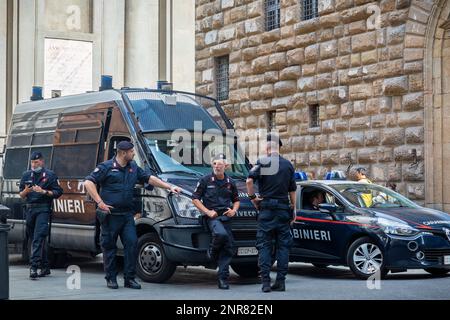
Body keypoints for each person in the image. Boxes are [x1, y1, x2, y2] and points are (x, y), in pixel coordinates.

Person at [84, 141, 181, 289]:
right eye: (131, 152)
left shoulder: (133, 167)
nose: (133, 153)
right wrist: (100, 202)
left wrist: (169, 187)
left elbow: (149, 178)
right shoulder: (106, 167)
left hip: (127, 215)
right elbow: (88, 183)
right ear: (123, 153)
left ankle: (129, 279)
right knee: (109, 247)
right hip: (110, 215)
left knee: (131, 244)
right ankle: (111, 278)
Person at [246, 134, 296, 293]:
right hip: (283, 209)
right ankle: (280, 282)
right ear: (279, 147)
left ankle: (266, 282)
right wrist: (293, 209)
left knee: (265, 245)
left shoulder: (262, 162)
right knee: (283, 246)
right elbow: (292, 190)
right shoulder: (288, 165)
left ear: (267, 148)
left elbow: (248, 181)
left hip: (266, 208)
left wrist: (253, 198)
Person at [192, 154, 240, 290]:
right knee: (221, 235)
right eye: (214, 163)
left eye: (219, 164)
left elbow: (236, 200)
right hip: (212, 217)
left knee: (228, 248)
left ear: (226, 166)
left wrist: (234, 210)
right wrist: (207, 212)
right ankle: (212, 253)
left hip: (226, 218)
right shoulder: (205, 180)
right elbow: (195, 198)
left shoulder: (231, 182)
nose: (217, 166)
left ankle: (222, 279)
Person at [19, 151, 63, 280]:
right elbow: (21, 195)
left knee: (38, 238)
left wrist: (43, 191)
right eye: (32, 162)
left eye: (36, 162)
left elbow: (58, 192)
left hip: (43, 209)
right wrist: (26, 191)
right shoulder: (26, 174)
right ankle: (45, 266)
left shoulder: (50, 175)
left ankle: (34, 267)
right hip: (30, 210)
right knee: (34, 239)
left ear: (42, 162)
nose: (34, 164)